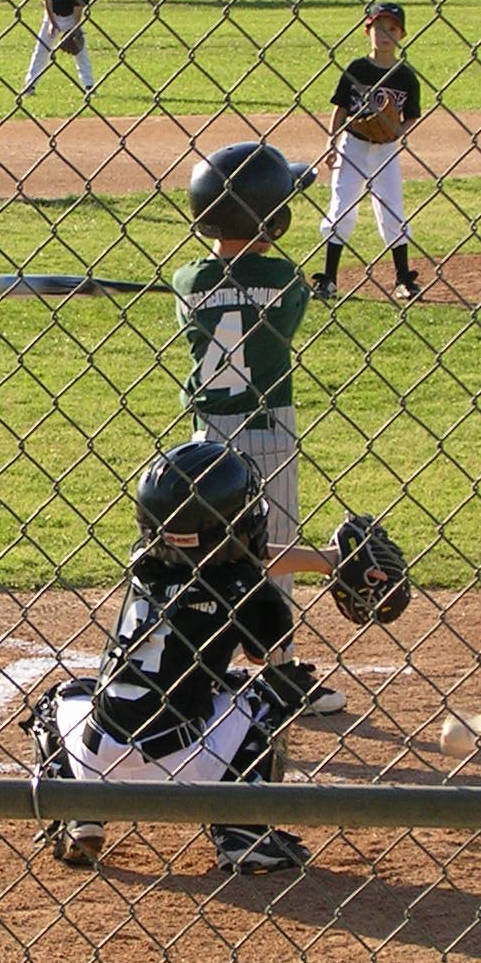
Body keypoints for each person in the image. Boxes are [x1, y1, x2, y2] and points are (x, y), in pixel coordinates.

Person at [27, 441, 411, 874]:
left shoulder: (144, 561)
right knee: (265, 696)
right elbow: (272, 659)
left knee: (61, 698)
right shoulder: (250, 593)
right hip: (181, 758)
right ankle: (244, 831)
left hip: (100, 755)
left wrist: (326, 561)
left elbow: (223, 555)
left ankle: (78, 812)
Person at [174, 139, 329, 670]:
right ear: (274, 221)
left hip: (206, 444)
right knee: (274, 548)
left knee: (214, 550)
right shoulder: (285, 280)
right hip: (268, 431)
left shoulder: (186, 281)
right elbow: (285, 318)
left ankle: (205, 657)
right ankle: (279, 669)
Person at [313, 0, 424, 302]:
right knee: (341, 207)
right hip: (353, 145)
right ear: (368, 31)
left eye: (392, 29)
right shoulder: (357, 69)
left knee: (392, 210)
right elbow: (340, 109)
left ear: (401, 36)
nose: (385, 35)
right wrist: (331, 142)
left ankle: (403, 278)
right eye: (379, 28)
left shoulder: (405, 76)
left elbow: (412, 114)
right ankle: (329, 280)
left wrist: (398, 131)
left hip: (386, 151)